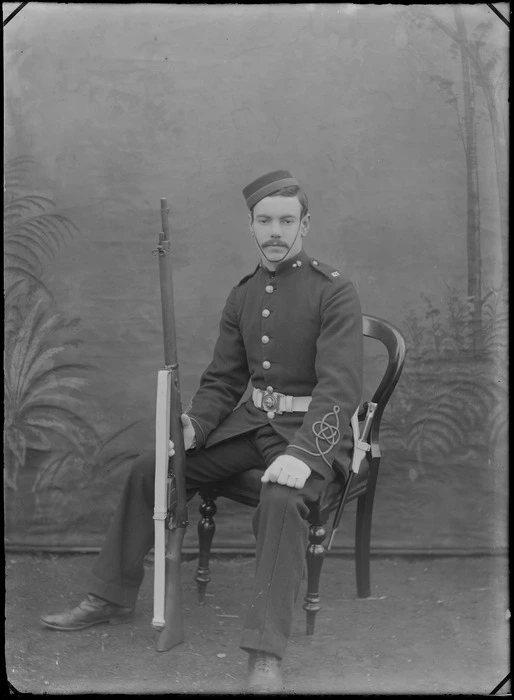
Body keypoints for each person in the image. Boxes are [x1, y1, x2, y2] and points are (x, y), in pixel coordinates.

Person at [40, 170, 363, 693]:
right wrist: (194, 425)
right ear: (251, 226)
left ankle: (264, 652)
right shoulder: (244, 295)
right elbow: (222, 380)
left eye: (286, 220)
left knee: (280, 499)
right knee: (155, 466)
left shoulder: (335, 291)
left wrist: (303, 454)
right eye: (265, 221)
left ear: (305, 224)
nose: (275, 231)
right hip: (252, 423)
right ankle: (110, 594)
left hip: (313, 433)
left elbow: (341, 387)